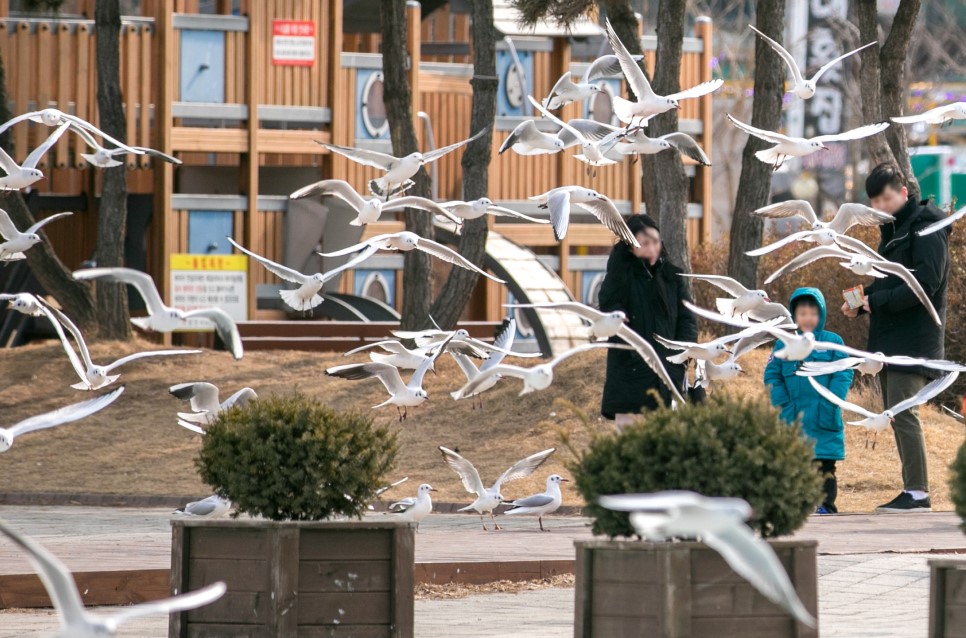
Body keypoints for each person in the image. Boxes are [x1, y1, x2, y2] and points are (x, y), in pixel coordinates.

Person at [841, 162, 950, 513]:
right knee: (895, 413)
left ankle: (918, 493)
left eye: (887, 199)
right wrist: (861, 303)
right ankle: (912, 489)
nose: (882, 208)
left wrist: (877, 301)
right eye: (876, 203)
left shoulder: (926, 226)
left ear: (903, 193)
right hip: (892, 340)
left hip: (914, 341)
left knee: (904, 414)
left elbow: (925, 286)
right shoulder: (893, 232)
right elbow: (890, 282)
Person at [599, 214, 699, 429]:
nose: (652, 248)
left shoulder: (673, 277)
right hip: (630, 371)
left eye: (655, 242)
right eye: (644, 243)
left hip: (667, 370)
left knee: (666, 445)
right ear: (630, 246)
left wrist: (680, 357)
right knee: (628, 445)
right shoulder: (619, 275)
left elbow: (687, 320)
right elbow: (609, 309)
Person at [765, 288, 854, 514]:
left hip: (823, 414)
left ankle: (825, 505)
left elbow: (844, 373)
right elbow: (772, 374)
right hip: (793, 415)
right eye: (803, 313)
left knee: (824, 467)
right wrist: (782, 403)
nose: (808, 318)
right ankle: (798, 505)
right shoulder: (784, 343)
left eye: (813, 313)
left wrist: (831, 400)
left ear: (821, 315)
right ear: (795, 316)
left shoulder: (833, 342)